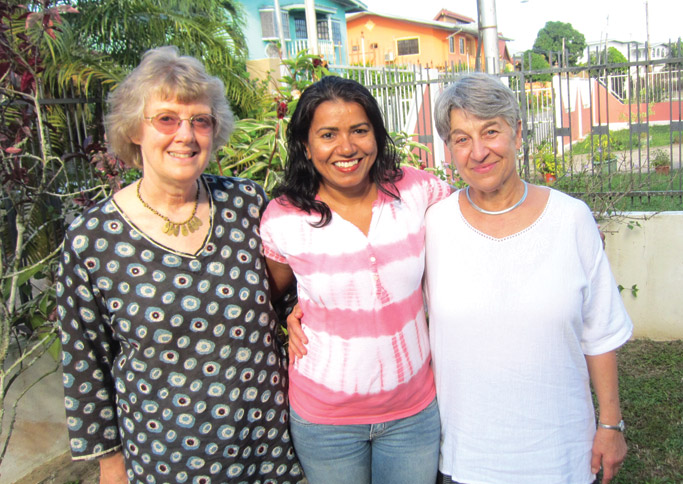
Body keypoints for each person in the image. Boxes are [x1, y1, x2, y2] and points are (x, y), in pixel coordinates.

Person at [56, 46, 304, 484]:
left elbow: (286, 290)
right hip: (167, 459)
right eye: (166, 119)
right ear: (135, 129)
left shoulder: (246, 204)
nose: (185, 135)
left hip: (268, 451)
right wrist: (111, 465)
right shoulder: (92, 239)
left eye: (200, 120)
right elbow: (85, 363)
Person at [424, 72, 632, 484]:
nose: (478, 151)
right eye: (462, 139)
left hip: (561, 457)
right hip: (468, 459)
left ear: (518, 133)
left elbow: (601, 331)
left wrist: (611, 425)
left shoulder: (571, 218)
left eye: (491, 132)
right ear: (448, 149)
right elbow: (387, 283)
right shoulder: (434, 225)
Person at [259, 75, 451, 484]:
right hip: (325, 421)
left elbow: (474, 221)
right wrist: (291, 315)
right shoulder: (284, 216)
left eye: (359, 131)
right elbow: (273, 295)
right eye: (328, 134)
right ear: (306, 147)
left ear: (377, 136)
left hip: (412, 413)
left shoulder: (418, 190)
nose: (346, 148)